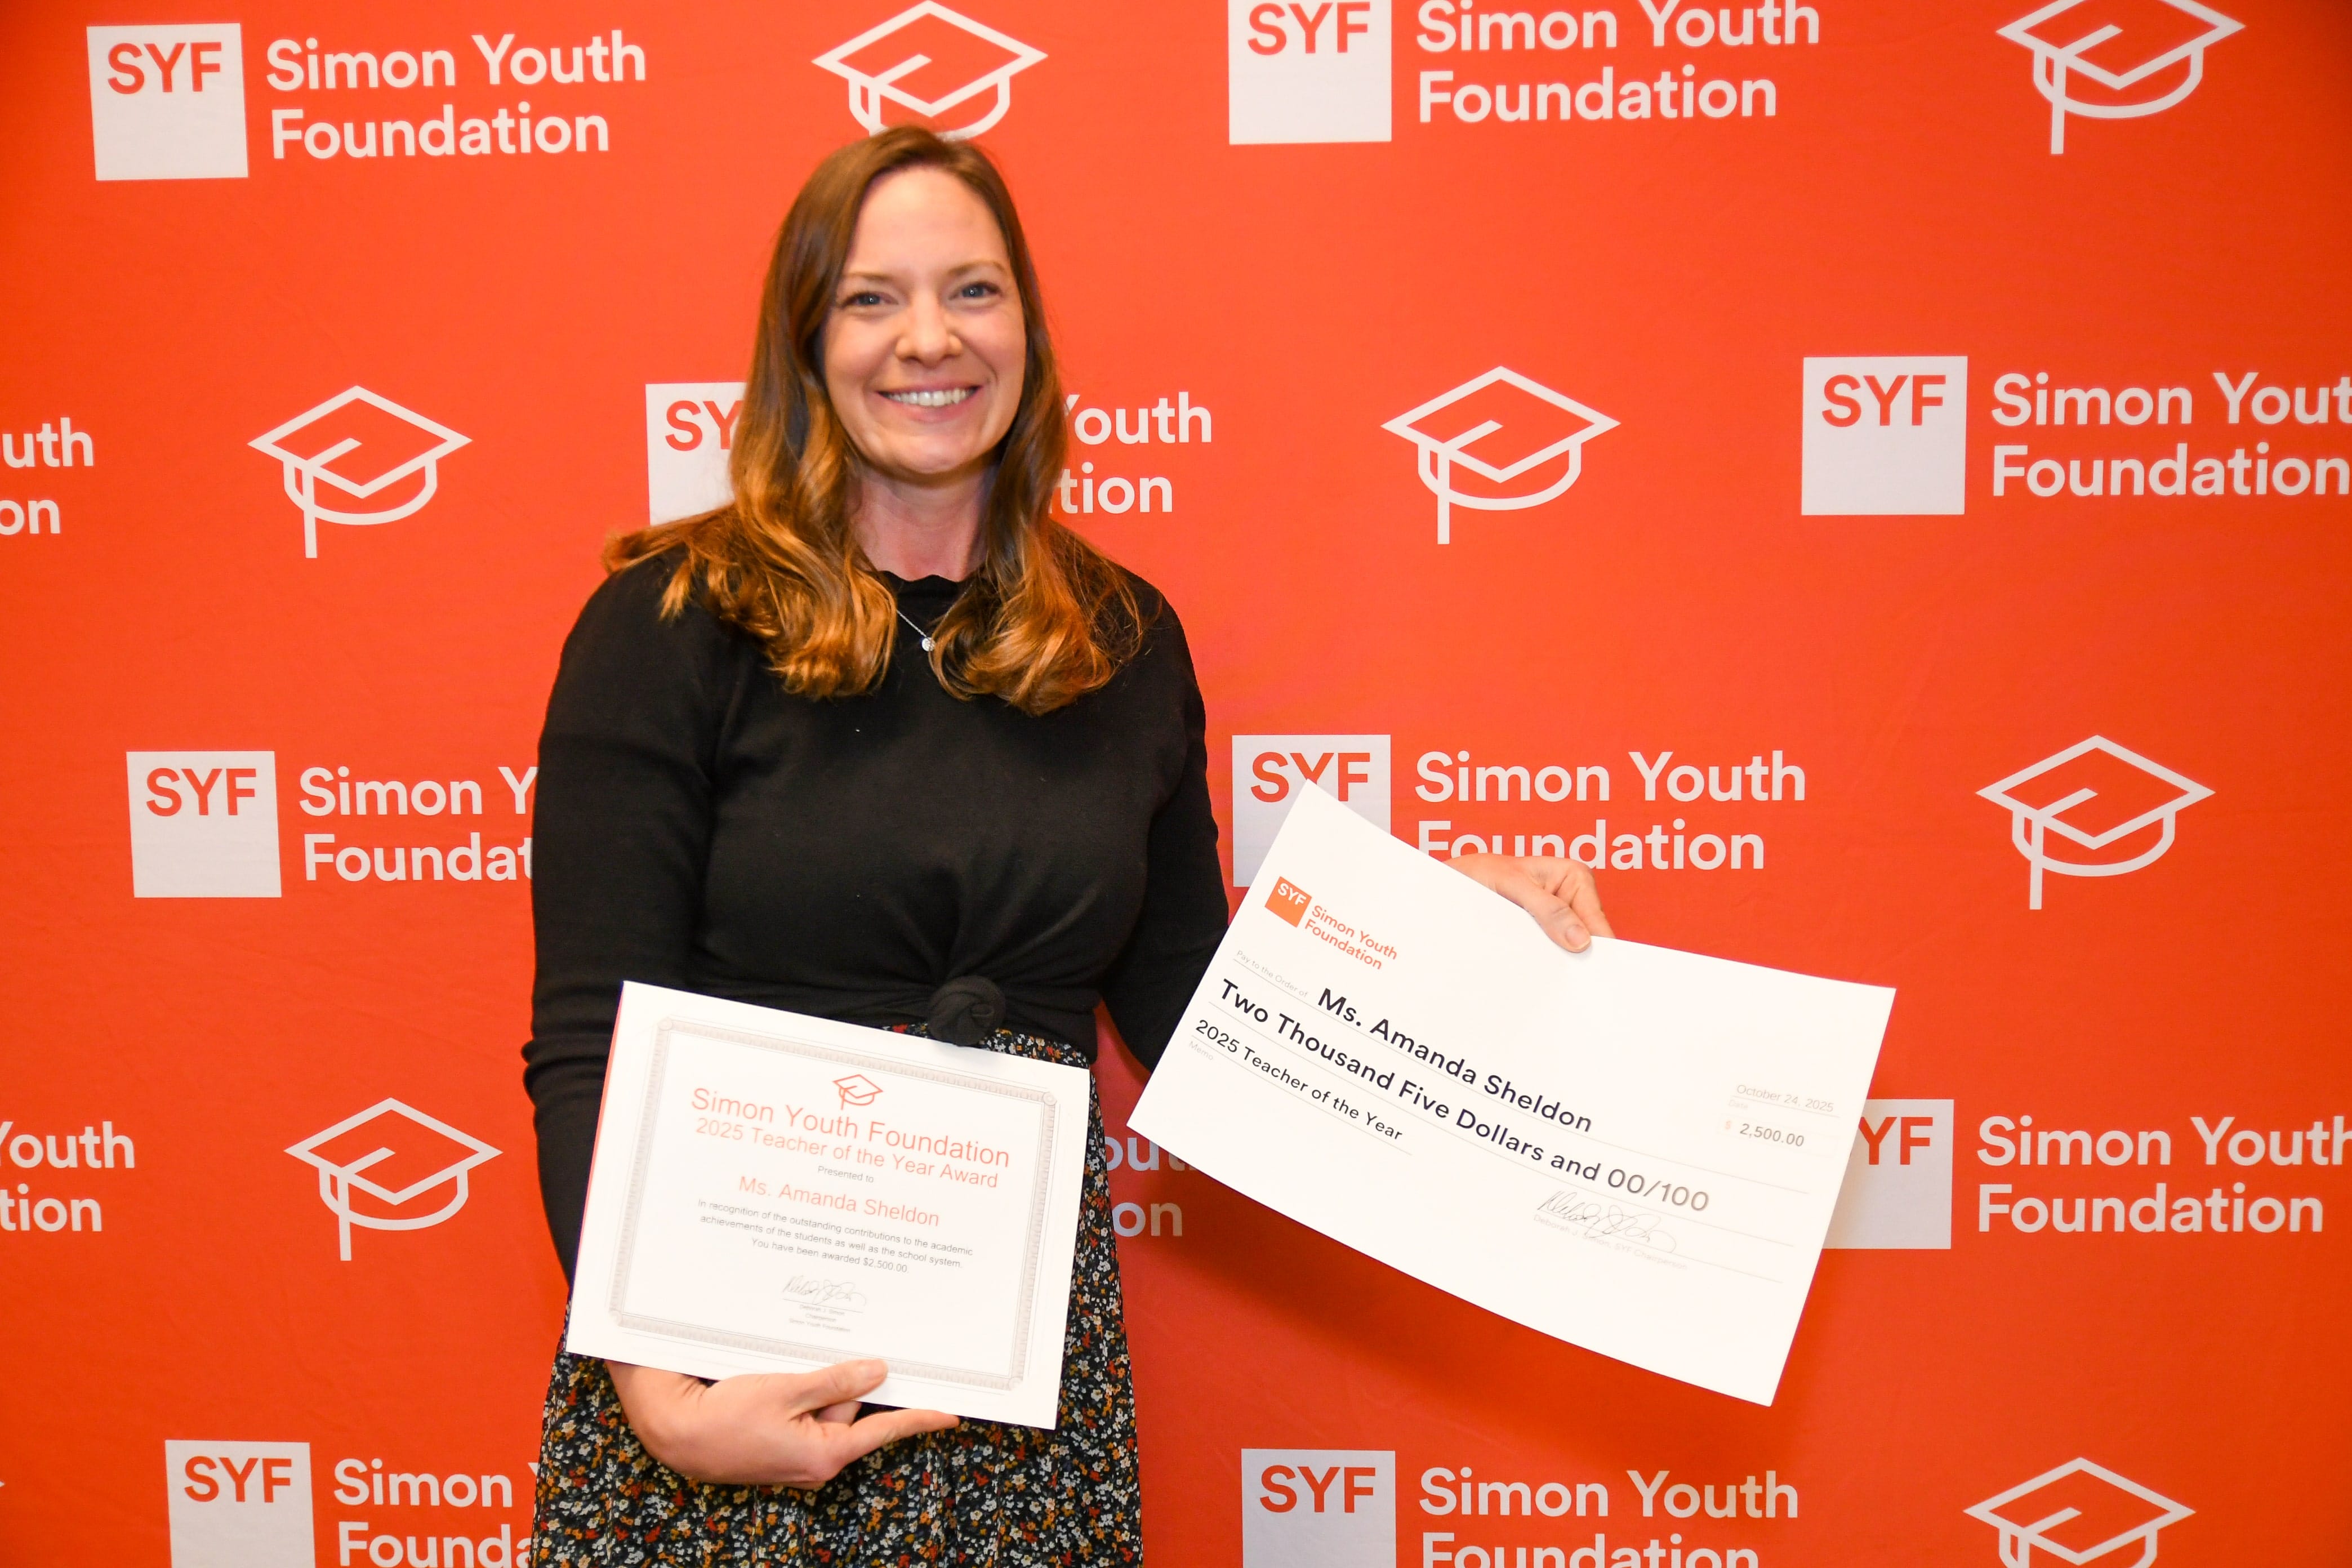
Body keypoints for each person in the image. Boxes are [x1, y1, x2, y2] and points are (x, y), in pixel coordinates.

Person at [521, 126, 1612, 1563]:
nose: (929, 339)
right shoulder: (673, 619)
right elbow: (589, 1035)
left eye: (972, 291)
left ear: (1026, 326)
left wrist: (1451, 935)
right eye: (870, 298)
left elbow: (1204, 1021)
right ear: (804, 342)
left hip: (1023, 1391)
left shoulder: (1121, 641)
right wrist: (659, 1398)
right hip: (720, 1363)